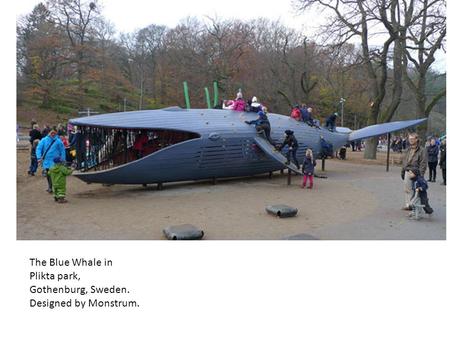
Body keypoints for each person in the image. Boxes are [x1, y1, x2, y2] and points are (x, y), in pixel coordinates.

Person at [401, 132, 428, 210]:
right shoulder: (407, 150)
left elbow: (423, 164)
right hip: (407, 171)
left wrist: (420, 175)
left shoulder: (422, 150)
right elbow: (404, 161)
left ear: (417, 139)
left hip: (416, 172)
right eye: (410, 139)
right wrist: (403, 171)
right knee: (407, 189)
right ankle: (408, 205)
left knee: (416, 190)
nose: (411, 140)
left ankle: (413, 205)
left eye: (412, 139)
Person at [36, 127, 66, 193]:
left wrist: (63, 159)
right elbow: (39, 148)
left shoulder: (58, 141)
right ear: (49, 133)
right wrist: (38, 157)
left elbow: (62, 150)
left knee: (55, 174)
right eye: (51, 133)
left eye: (54, 133)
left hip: (56, 161)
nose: (53, 134)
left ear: (56, 133)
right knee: (48, 174)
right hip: (46, 161)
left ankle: (55, 186)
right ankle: (50, 187)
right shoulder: (43, 140)